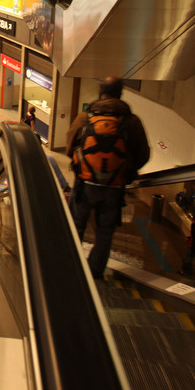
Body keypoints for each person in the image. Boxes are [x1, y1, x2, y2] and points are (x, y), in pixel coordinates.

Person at [65, 77, 150, 279]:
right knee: (105, 232)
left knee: (76, 225)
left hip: (85, 184)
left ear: (100, 92)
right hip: (114, 187)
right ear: (120, 94)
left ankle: (70, 266)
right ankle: (94, 272)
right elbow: (143, 155)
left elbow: (70, 146)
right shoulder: (132, 121)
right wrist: (125, 169)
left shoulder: (85, 117)